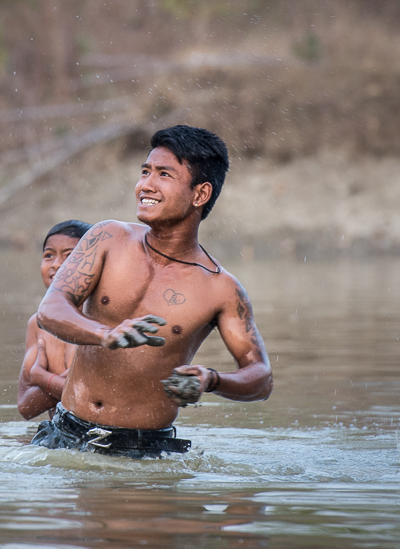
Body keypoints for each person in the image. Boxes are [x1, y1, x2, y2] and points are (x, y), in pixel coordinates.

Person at [31, 125, 273, 458]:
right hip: (64, 433)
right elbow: (50, 310)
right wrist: (106, 333)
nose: (145, 185)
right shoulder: (107, 238)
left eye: (163, 175)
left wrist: (211, 380)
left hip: (145, 451)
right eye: (145, 171)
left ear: (200, 194)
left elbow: (261, 378)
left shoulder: (221, 289)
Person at [18, 220, 93, 420]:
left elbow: (91, 399)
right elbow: (25, 406)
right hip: (60, 437)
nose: (56, 264)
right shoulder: (38, 324)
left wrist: (41, 377)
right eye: (48, 255)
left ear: (95, 265)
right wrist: (61, 383)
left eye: (69, 256)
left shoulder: (100, 322)